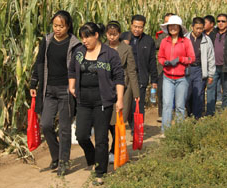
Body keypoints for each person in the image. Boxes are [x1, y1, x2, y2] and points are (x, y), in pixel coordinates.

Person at [68, 22, 125, 184]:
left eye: (87, 37)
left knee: (101, 138)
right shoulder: (79, 52)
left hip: (103, 101)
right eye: (82, 37)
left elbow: (119, 77)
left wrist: (119, 99)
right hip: (83, 101)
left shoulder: (109, 54)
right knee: (81, 135)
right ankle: (93, 159)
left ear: (96, 35)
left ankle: (100, 172)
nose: (84, 40)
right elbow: (72, 69)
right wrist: (72, 85)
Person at [29, 11, 81, 176]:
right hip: (48, 89)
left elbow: (78, 68)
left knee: (65, 128)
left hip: (66, 89)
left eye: (61, 26)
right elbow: (40, 62)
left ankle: (64, 161)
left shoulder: (74, 44)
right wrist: (34, 82)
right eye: (55, 25)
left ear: (68, 26)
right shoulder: (47, 40)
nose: (57, 29)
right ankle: (56, 156)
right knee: (46, 124)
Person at [105, 21, 140, 163]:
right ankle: (109, 148)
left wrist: (136, 93)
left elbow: (132, 71)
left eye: (115, 35)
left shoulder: (127, 49)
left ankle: (114, 149)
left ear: (119, 34)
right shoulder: (101, 47)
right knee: (106, 121)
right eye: (109, 34)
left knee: (117, 121)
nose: (112, 37)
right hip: (106, 89)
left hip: (123, 89)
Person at [120, 15, 159, 130]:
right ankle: (122, 126)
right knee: (126, 104)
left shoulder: (148, 40)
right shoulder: (122, 37)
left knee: (138, 104)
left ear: (144, 27)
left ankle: (137, 130)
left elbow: (152, 61)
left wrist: (154, 80)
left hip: (141, 76)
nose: (137, 29)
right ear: (131, 25)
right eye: (135, 26)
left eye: (140, 27)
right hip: (125, 77)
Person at [157, 15, 195, 133]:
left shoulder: (186, 42)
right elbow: (160, 57)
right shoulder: (164, 41)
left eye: (175, 26)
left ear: (179, 28)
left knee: (180, 106)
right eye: (170, 26)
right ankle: (166, 131)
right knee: (167, 104)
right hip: (167, 77)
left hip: (182, 78)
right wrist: (165, 62)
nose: (172, 28)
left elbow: (192, 58)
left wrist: (180, 59)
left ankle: (179, 132)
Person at [206, 13, 227, 115]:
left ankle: (225, 111)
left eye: (223, 21)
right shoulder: (213, 33)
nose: (220, 23)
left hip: (226, 66)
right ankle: (210, 112)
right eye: (219, 21)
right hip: (213, 66)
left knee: (226, 90)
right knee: (211, 89)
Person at [185, 17, 215, 119]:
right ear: (192, 27)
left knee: (198, 94)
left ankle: (196, 118)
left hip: (199, 69)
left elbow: (211, 57)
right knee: (187, 94)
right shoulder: (185, 39)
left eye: (201, 28)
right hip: (187, 69)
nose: (199, 31)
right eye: (197, 28)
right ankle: (189, 114)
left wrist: (211, 74)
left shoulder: (207, 40)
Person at [155, 13, 174, 122]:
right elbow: (156, 45)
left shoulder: (181, 36)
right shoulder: (161, 35)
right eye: (166, 22)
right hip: (162, 68)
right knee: (161, 90)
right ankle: (161, 114)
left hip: (176, 68)